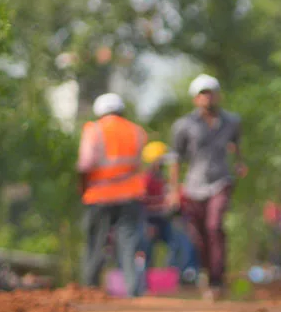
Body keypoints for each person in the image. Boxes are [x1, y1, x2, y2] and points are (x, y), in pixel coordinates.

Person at [169, 74, 246, 301]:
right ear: (195, 98)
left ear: (218, 95)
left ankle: (217, 280)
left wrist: (240, 163)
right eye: (202, 93)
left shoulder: (231, 121)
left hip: (221, 180)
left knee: (214, 227)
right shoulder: (183, 125)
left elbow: (236, 146)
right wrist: (174, 190)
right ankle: (206, 273)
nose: (207, 97)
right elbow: (176, 159)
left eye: (210, 92)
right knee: (199, 236)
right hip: (194, 186)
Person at [78, 93, 147, 297]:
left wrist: (83, 189)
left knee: (96, 243)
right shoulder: (136, 131)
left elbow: (85, 165)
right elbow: (138, 163)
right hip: (130, 194)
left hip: (99, 195)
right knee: (128, 244)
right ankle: (134, 290)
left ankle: (89, 289)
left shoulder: (94, 130)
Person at [137, 141, 198, 288]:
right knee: (144, 247)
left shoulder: (165, 181)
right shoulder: (145, 181)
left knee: (182, 241)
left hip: (164, 221)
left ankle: (183, 277)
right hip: (148, 222)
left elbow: (175, 205)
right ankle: (142, 282)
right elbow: (139, 206)